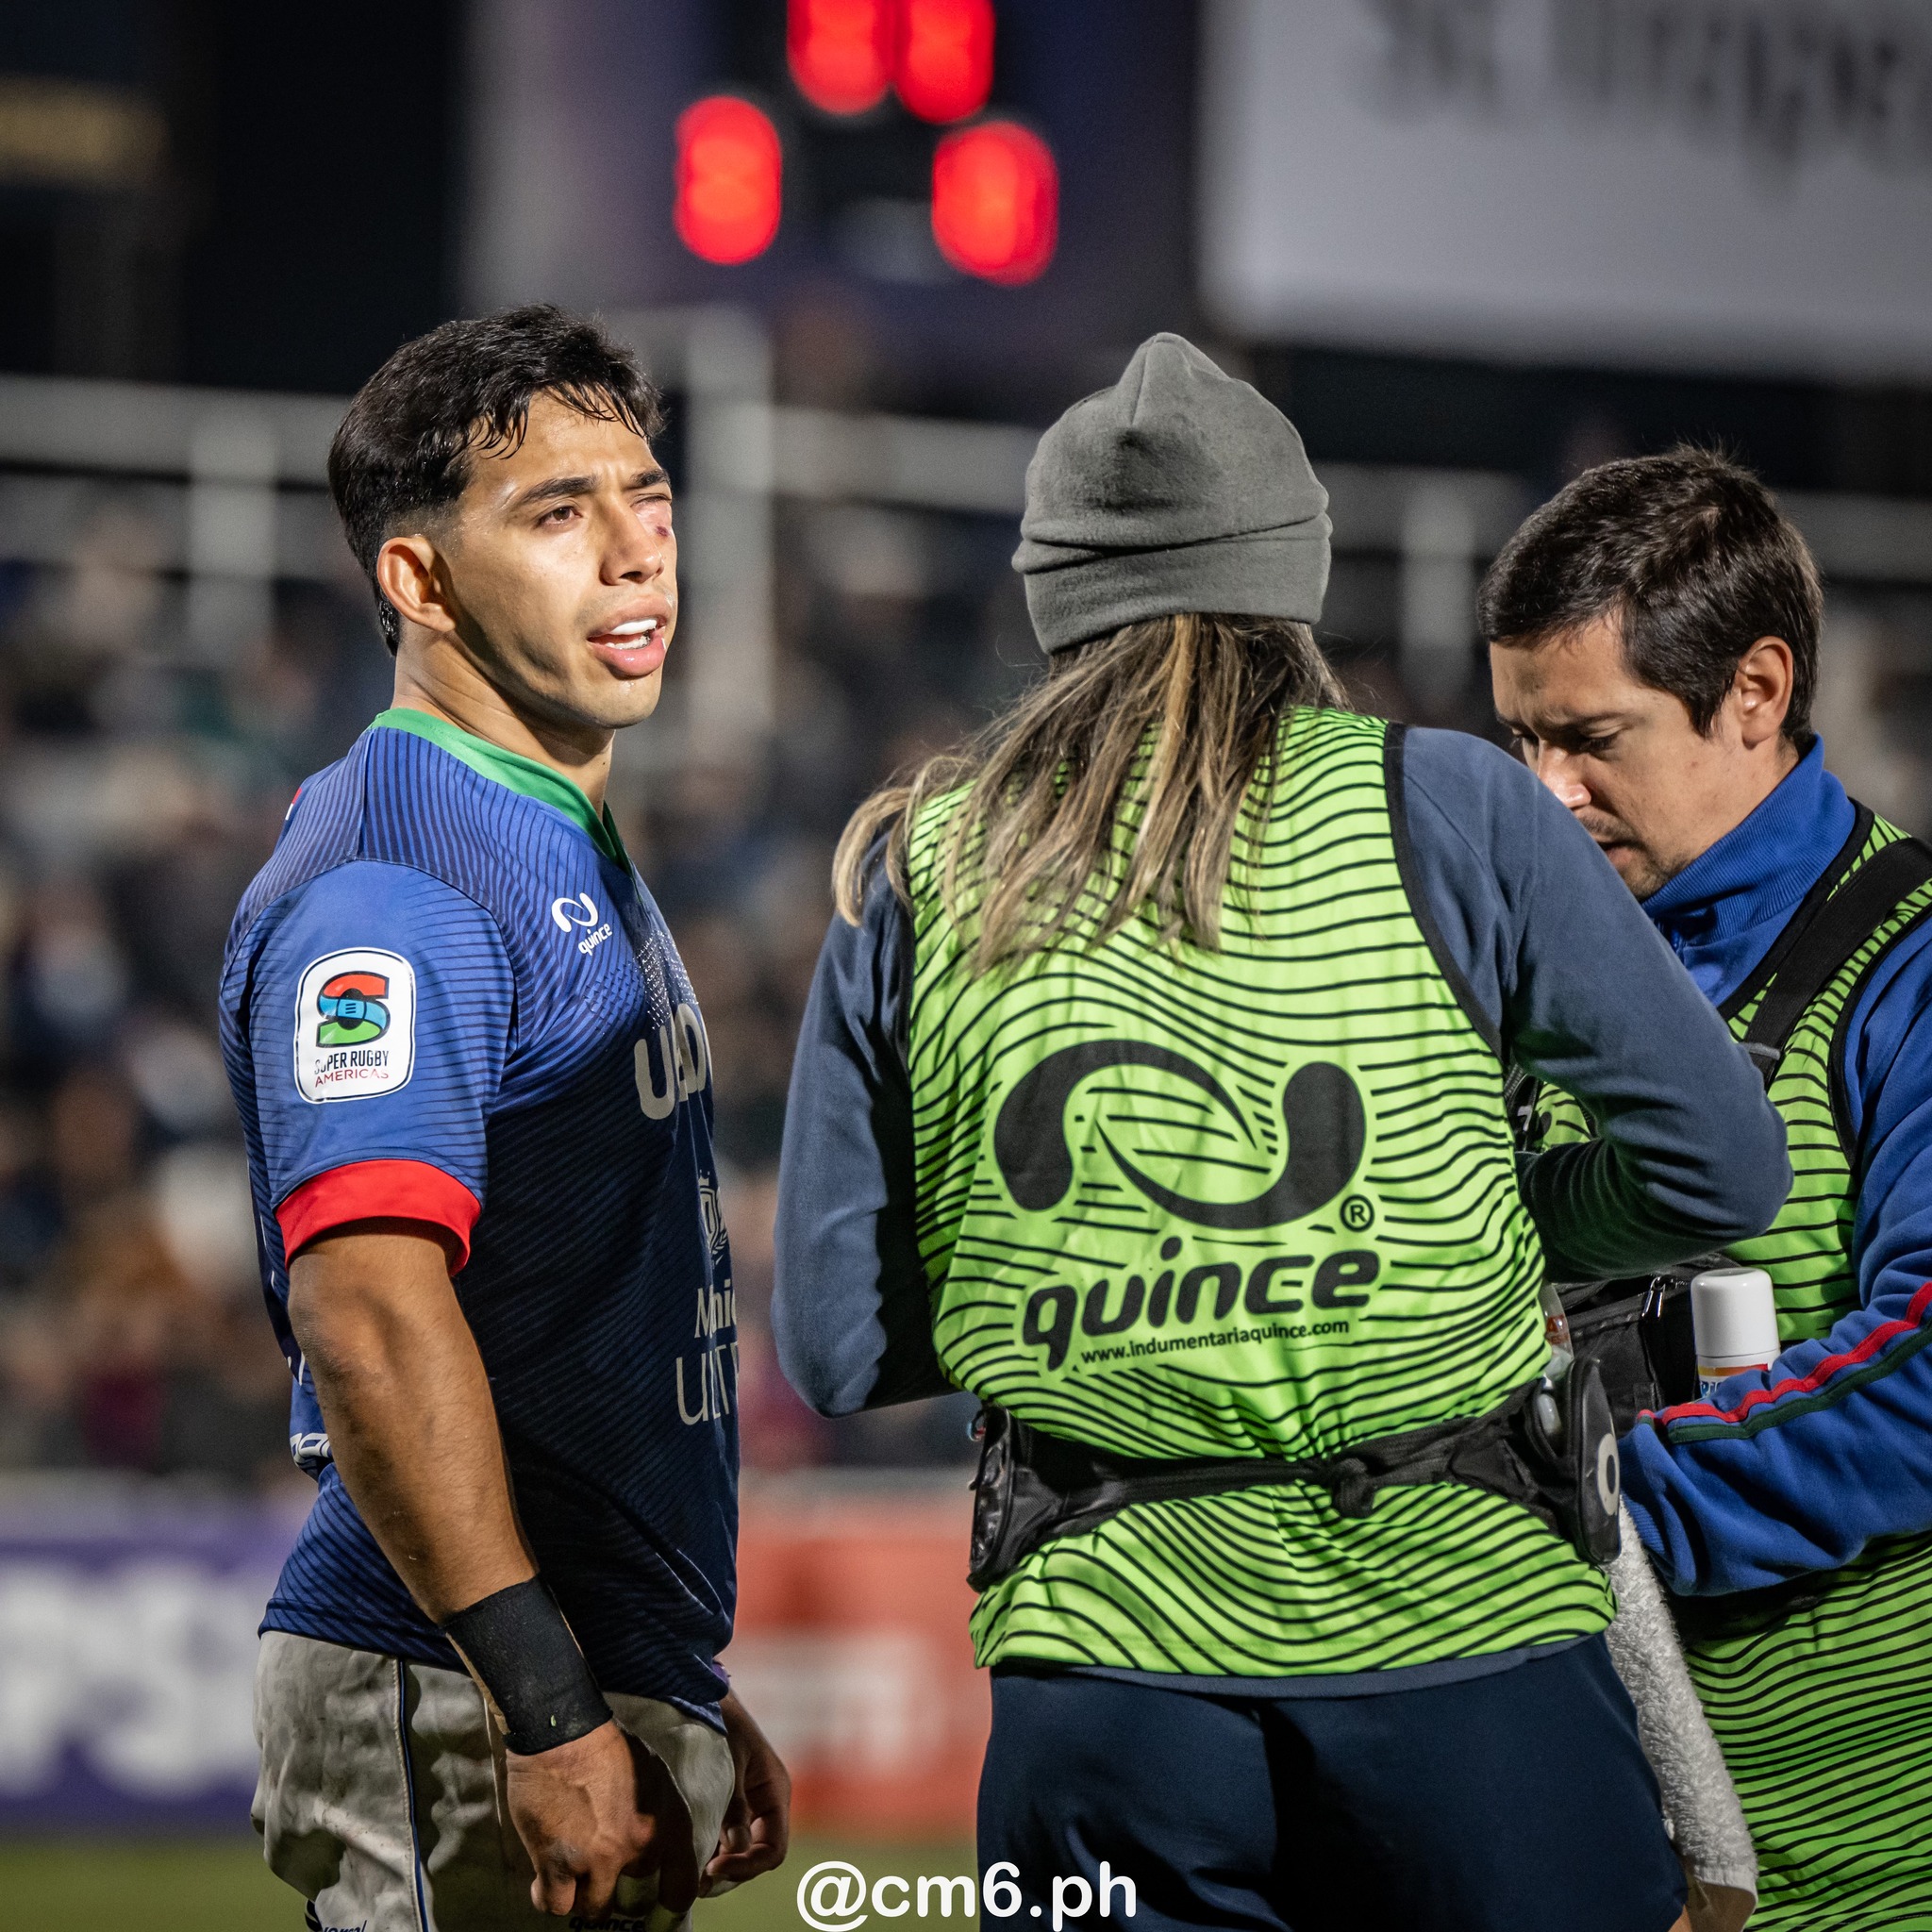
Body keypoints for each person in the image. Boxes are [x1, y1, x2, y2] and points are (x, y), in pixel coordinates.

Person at [772, 335, 1789, 1932]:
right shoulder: (1451, 803)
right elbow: (1723, 1167)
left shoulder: (914, 863)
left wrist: (1093, 1292)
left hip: (1103, 1677)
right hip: (1465, 1646)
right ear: (1289, 575)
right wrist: (1476, 1226)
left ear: (1053, 596)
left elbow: (836, 1348)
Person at [219, 305, 789, 1931]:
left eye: (648, 497)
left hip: (564, 1666)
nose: (636, 550)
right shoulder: (398, 882)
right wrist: (544, 1699)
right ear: (420, 581)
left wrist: (669, 1671)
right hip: (448, 1688)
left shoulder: (544, 825)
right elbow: (368, 1309)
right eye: (558, 512)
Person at [1485, 447, 1932, 1932]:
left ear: (1755, 690)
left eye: (1591, 739)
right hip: (1593, 1847)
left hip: (1881, 1860)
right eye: (1521, 740)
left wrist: (1599, 1508)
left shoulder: (1911, 966)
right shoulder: (1497, 990)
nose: (1547, 793)